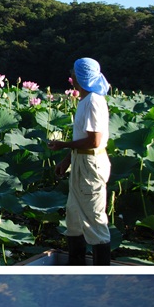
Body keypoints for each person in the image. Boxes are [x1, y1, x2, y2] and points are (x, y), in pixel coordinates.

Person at [48, 57, 112, 265]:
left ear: (80, 77)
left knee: (94, 218)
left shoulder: (93, 101)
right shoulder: (85, 100)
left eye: (73, 73)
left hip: (91, 165)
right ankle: (76, 267)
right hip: (80, 161)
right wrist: (67, 160)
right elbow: (82, 139)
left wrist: (63, 145)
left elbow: (94, 141)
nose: (71, 77)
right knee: (74, 217)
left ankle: (101, 272)